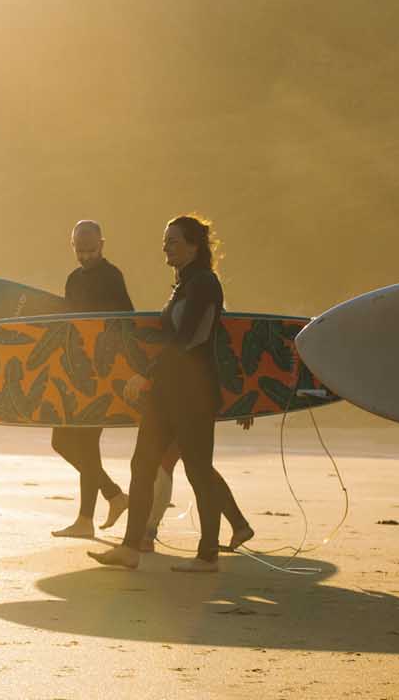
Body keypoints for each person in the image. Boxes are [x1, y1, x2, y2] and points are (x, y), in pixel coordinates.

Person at [90, 215, 254, 571]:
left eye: (174, 241)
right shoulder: (183, 284)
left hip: (194, 394)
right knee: (142, 464)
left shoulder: (205, 284)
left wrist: (146, 375)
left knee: (197, 469)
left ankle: (208, 554)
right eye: (165, 240)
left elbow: (190, 340)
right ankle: (130, 548)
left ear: (194, 246)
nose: (166, 246)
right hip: (167, 394)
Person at [49, 220, 134, 537]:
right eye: (79, 250)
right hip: (75, 371)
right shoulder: (73, 279)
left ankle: (85, 521)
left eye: (91, 250)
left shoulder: (112, 277)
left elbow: (126, 320)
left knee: (85, 443)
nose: (85, 256)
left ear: (102, 244)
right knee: (61, 441)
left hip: (101, 372)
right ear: (72, 245)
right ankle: (114, 495)